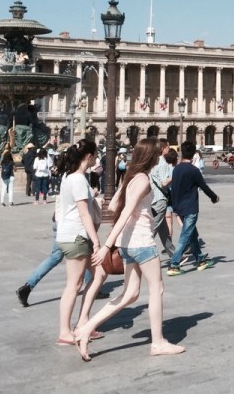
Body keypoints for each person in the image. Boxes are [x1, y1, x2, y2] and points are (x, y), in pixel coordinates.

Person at [73, 139, 185, 361]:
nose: (159, 157)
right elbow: (124, 212)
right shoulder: (143, 180)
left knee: (130, 294)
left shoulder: (131, 178)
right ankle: (158, 342)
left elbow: (114, 205)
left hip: (127, 243)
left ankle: (85, 329)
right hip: (142, 241)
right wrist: (106, 246)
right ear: (150, 157)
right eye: (157, 154)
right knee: (157, 289)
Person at [55, 140, 102, 345]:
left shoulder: (69, 177)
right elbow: (84, 214)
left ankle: (83, 323)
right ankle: (65, 332)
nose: (96, 159)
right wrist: (96, 241)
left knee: (100, 274)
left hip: (71, 234)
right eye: (95, 155)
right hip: (77, 235)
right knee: (74, 285)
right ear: (89, 156)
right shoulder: (79, 180)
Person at [167, 141, 220, 276]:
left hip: (179, 207)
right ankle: (174, 264)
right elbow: (204, 187)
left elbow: (174, 189)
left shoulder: (176, 169)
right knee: (185, 235)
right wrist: (214, 197)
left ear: (182, 153)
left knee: (192, 235)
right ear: (193, 154)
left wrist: (174, 205)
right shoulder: (194, 170)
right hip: (190, 207)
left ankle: (200, 260)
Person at [150, 142, 176, 256]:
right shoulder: (163, 163)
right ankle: (141, 252)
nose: (169, 149)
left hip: (154, 198)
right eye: (167, 147)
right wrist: (174, 176)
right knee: (152, 230)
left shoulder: (153, 162)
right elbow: (163, 183)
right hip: (160, 199)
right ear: (162, 149)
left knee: (164, 230)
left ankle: (175, 255)